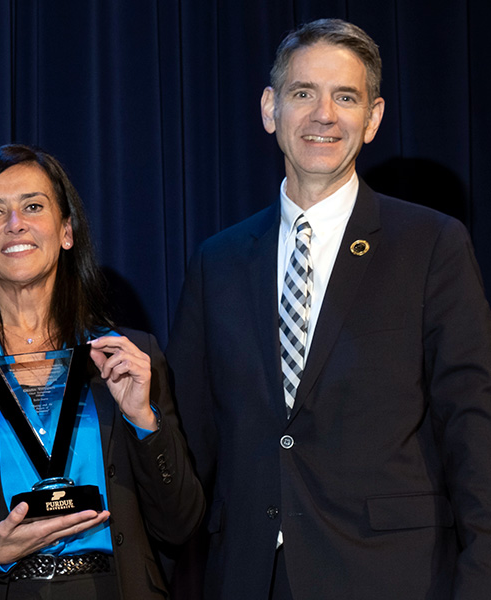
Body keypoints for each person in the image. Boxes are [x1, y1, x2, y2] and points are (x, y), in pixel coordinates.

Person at [167, 18, 491, 599]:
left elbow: (475, 427)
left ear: (373, 119)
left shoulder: (431, 244)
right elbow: (192, 444)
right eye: (303, 94)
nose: (324, 115)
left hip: (394, 576)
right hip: (248, 577)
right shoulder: (216, 262)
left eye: (346, 97)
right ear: (270, 110)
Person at [0, 144, 203, 599]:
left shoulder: (127, 358)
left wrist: (144, 421)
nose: (15, 224)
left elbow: (180, 524)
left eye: (33, 206)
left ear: (66, 231)